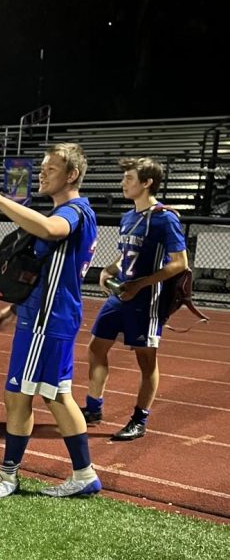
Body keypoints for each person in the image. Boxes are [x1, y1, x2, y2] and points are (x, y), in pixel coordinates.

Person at [0, 145, 101, 498]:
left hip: (48, 320)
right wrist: (15, 308)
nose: (42, 174)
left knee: (19, 395)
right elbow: (50, 272)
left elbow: (50, 229)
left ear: (72, 174)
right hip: (46, 315)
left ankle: (11, 476)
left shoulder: (74, 211)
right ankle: (84, 474)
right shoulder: (74, 211)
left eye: (51, 169)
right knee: (56, 395)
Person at [84, 157, 189, 441]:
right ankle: (93, 408)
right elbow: (126, 253)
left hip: (147, 300)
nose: (123, 183)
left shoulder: (165, 218)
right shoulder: (129, 216)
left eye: (129, 179)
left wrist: (141, 284)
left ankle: (139, 419)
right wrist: (109, 269)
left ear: (147, 183)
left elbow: (179, 263)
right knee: (95, 348)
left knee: (146, 362)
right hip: (121, 295)